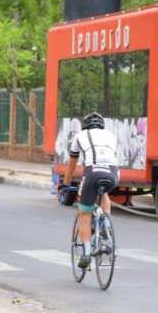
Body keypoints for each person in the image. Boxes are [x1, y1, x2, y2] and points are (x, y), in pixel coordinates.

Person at [58, 112, 119, 269]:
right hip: (112, 173)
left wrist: (65, 185)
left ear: (84, 126)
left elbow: (72, 164)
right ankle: (105, 225)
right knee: (103, 191)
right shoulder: (111, 136)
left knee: (84, 214)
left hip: (92, 172)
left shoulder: (79, 135)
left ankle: (86, 254)